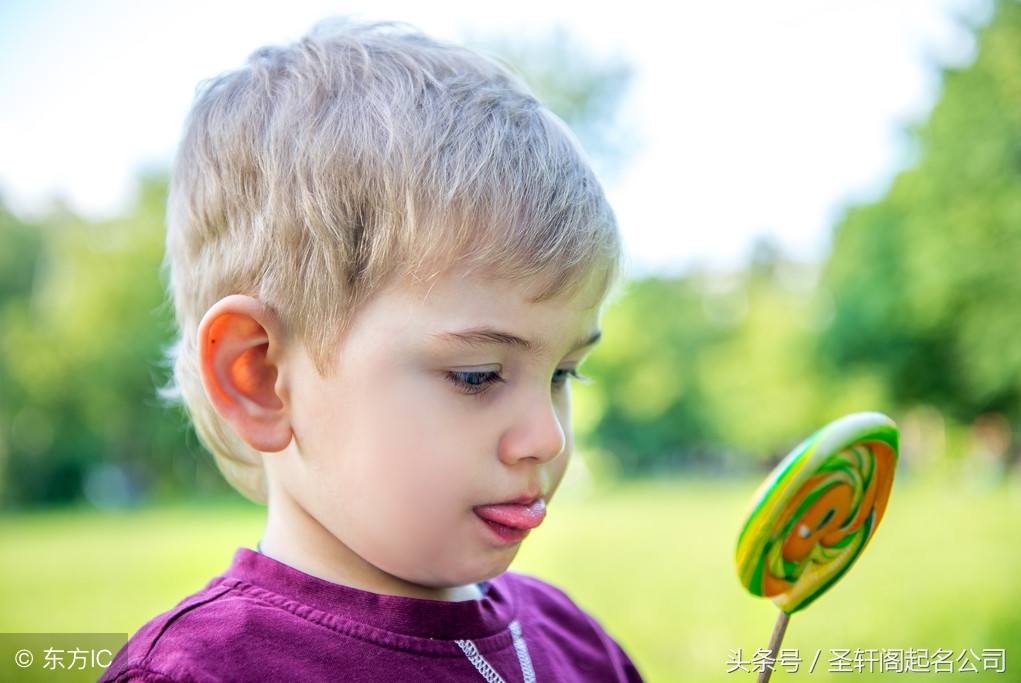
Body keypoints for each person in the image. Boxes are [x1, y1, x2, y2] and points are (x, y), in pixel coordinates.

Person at [101, 17, 641, 682]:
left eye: (563, 372)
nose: (547, 436)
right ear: (261, 378)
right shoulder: (205, 671)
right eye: (475, 375)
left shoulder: (571, 639)